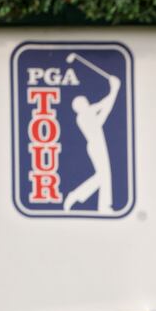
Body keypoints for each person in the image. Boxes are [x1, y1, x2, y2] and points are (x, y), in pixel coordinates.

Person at [63, 75, 121, 213]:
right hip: (95, 146)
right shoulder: (83, 116)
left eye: (86, 101)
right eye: (83, 102)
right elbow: (103, 105)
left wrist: (114, 90)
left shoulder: (88, 114)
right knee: (103, 176)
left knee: (104, 176)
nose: (87, 102)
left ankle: (103, 206)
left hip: (98, 144)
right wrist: (114, 89)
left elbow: (105, 110)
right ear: (79, 107)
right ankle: (76, 195)